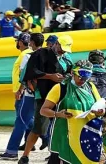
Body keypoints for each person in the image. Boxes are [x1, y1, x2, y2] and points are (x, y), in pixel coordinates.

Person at [18, 35, 73, 164]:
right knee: (38, 128)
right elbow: (31, 72)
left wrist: (66, 76)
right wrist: (50, 76)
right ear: (56, 44)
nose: (62, 51)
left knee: (61, 126)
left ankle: (56, 155)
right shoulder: (40, 54)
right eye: (61, 48)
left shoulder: (67, 58)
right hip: (44, 96)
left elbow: (70, 72)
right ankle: (25, 156)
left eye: (65, 50)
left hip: (61, 95)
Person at [40, 60, 105, 164]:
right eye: (80, 77)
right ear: (72, 73)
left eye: (86, 78)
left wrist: (100, 112)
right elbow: (43, 110)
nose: (83, 80)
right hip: (65, 134)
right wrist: (58, 114)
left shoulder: (91, 87)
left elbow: (99, 106)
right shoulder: (61, 88)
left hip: (85, 135)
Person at [0, 33, 33, 160]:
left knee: (22, 119)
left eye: (17, 41)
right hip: (22, 91)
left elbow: (23, 75)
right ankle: (35, 140)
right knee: (26, 119)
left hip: (23, 92)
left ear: (20, 42)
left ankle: (12, 150)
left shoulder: (25, 55)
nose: (16, 43)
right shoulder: (25, 54)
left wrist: (20, 90)